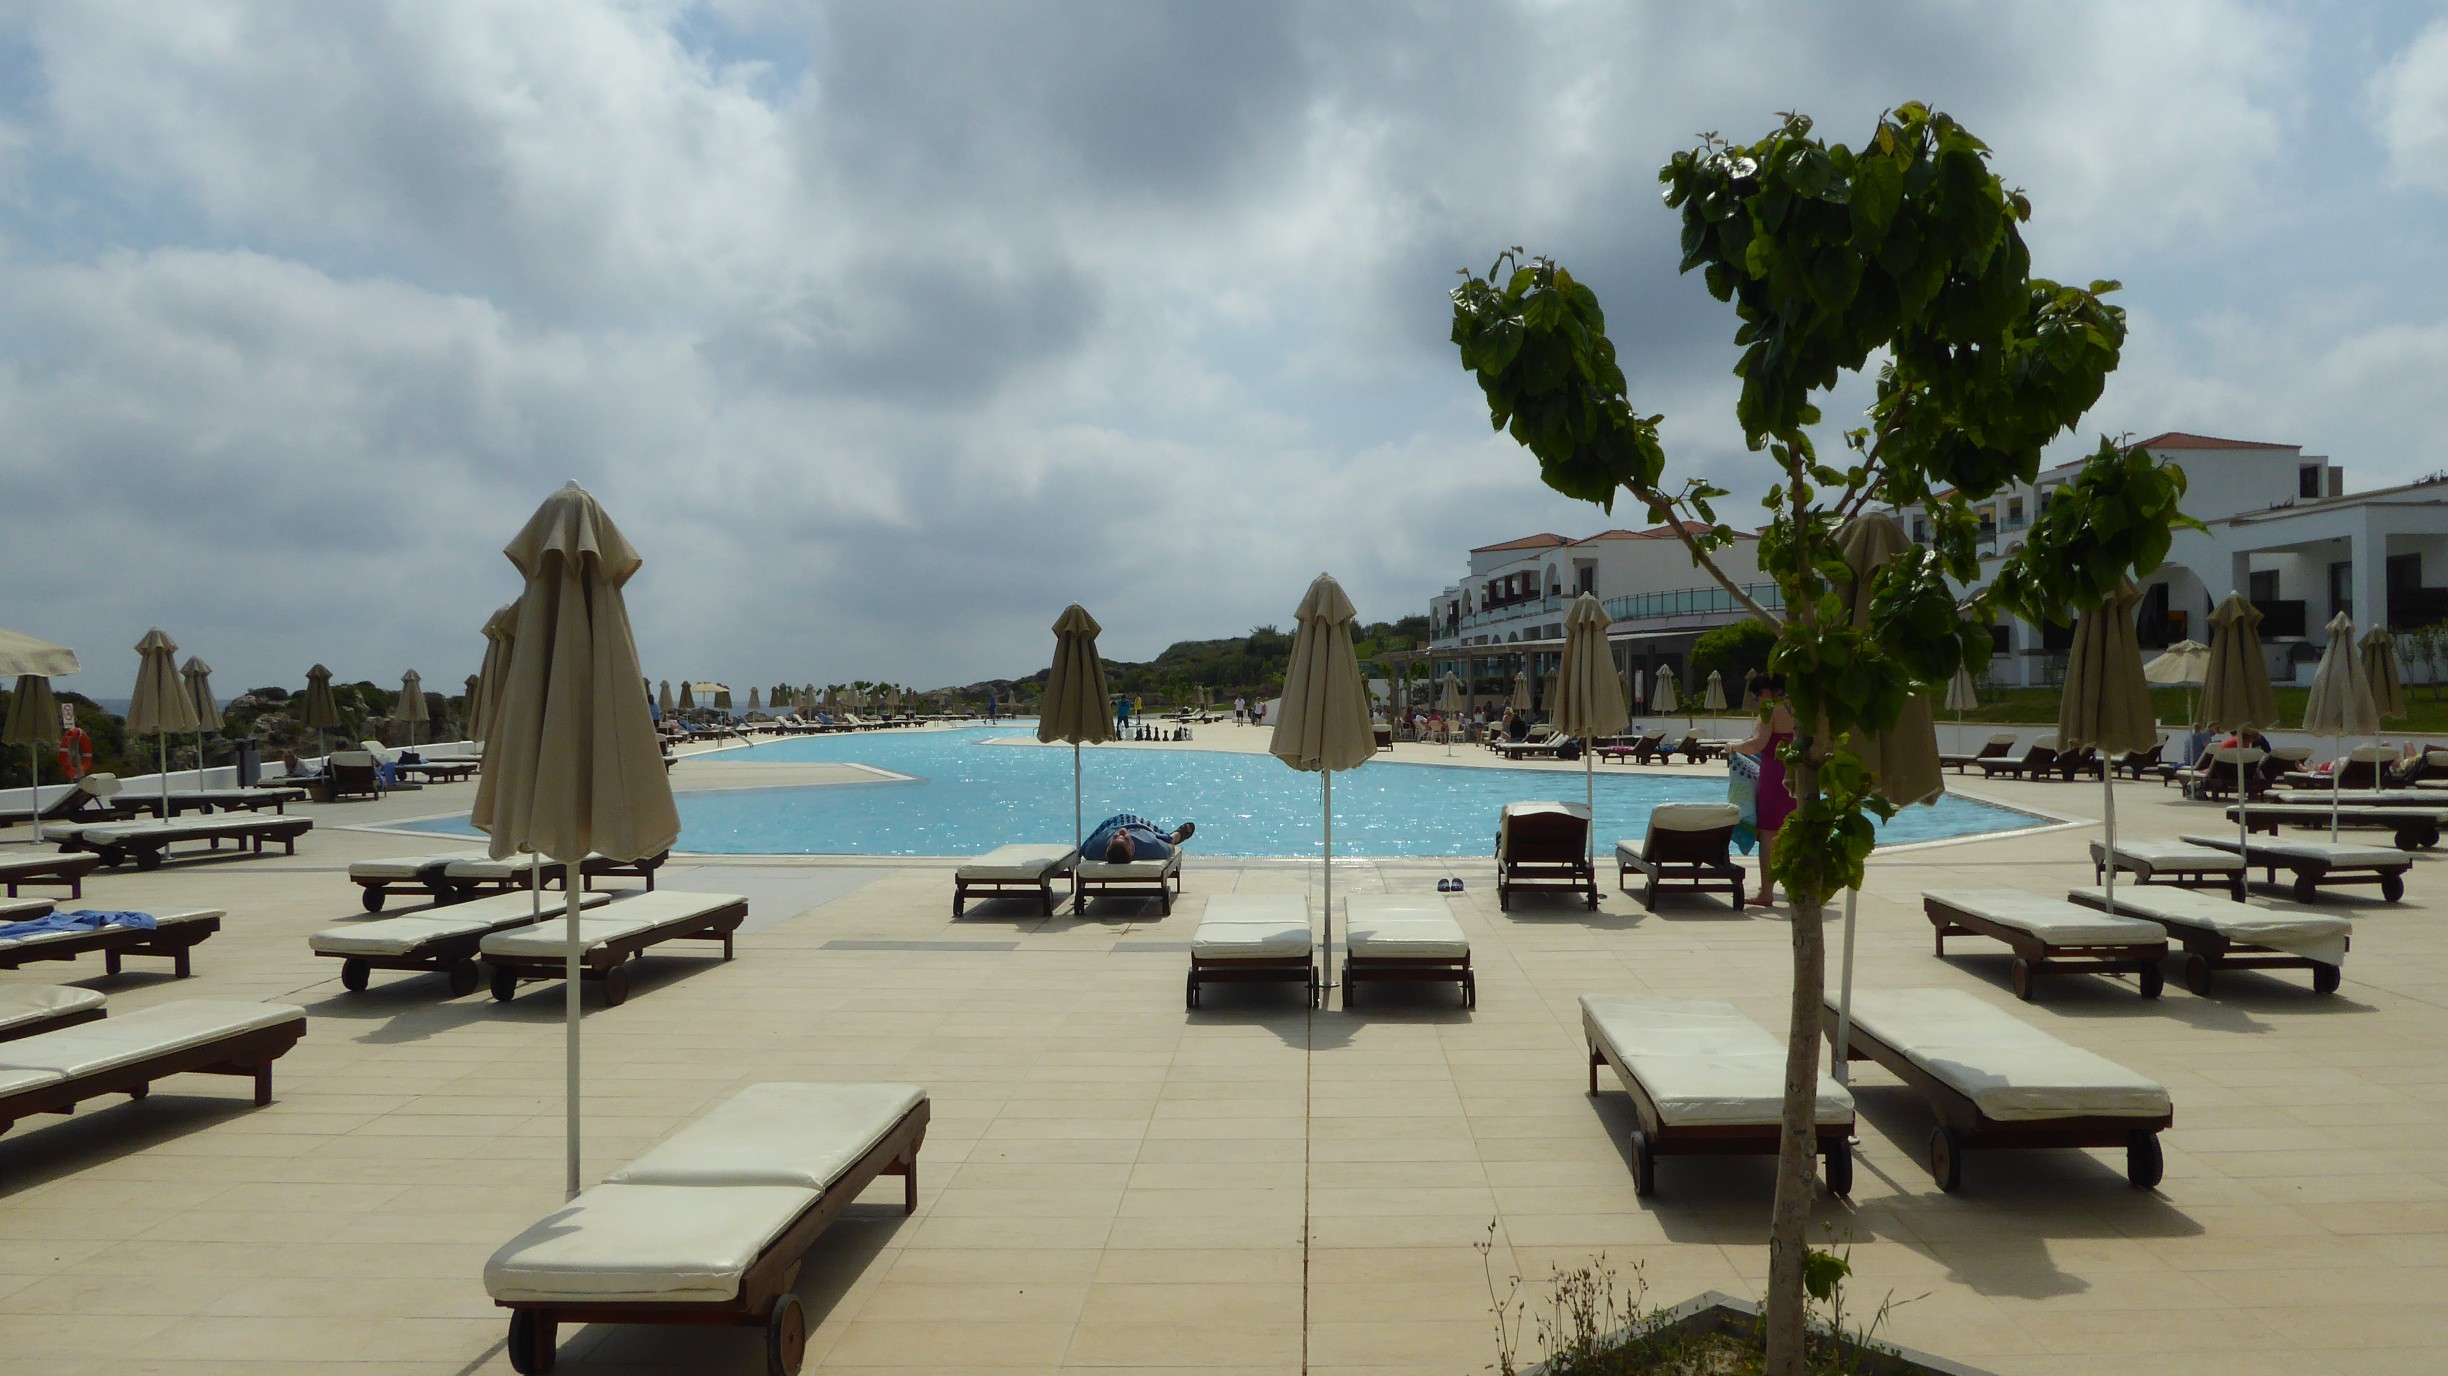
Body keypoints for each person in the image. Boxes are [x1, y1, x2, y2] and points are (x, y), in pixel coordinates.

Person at [1730, 673, 1795, 907]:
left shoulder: (1770, 710)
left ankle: (1767, 892)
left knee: (1768, 833)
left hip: (1775, 775)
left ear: (1765, 692)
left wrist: (1733, 746)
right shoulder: (1798, 707)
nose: (1757, 700)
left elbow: (1757, 744)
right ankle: (1796, 888)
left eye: (1756, 696)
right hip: (1798, 774)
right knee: (1794, 830)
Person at [1083, 813, 1196, 864]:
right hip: (1138, 825)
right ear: (1132, 848)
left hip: (1112, 824)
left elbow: (1084, 849)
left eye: (1116, 837)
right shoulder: (1150, 845)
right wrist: (1170, 843)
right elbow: (1170, 849)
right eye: (1125, 838)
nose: (1121, 831)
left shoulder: (1095, 848)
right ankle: (1175, 836)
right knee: (1166, 839)